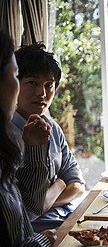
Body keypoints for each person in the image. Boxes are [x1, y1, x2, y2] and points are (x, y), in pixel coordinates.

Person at [0, 30, 56, 247]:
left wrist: (35, 151)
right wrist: (41, 244)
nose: (41, 94)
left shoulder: (45, 126)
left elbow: (26, 209)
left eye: (49, 85)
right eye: (16, 76)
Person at [10, 43, 85, 232]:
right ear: (13, 84)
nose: (42, 93)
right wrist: (59, 184)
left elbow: (78, 185)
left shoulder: (53, 129)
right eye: (32, 83)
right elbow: (25, 213)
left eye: (49, 85)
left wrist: (47, 200)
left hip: (67, 222)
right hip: (35, 237)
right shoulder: (6, 136)